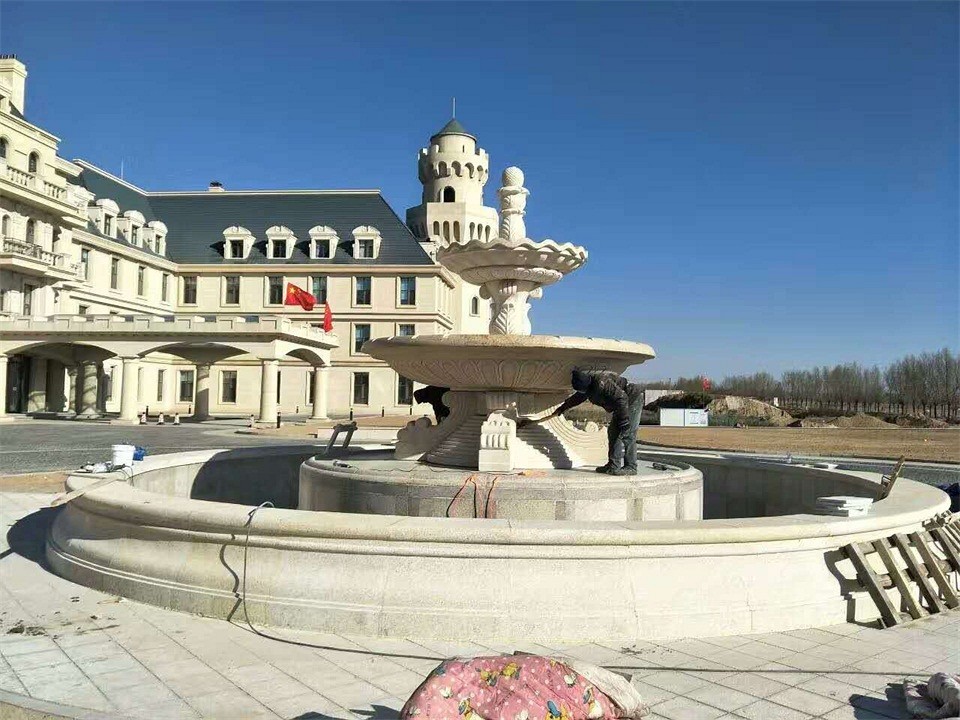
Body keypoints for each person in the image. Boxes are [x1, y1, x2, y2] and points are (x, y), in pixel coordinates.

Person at [517, 369, 644, 475]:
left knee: (627, 433)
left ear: (587, 385)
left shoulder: (602, 383)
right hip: (620, 404)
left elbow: (622, 398)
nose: (583, 393)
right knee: (613, 433)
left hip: (632, 399)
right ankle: (613, 465)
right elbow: (577, 398)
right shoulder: (586, 387)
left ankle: (631, 467)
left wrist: (624, 421)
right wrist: (562, 408)